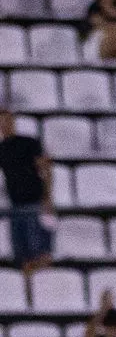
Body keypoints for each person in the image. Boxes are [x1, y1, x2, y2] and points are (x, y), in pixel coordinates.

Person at [0, 109, 54, 277]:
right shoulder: (1, 149)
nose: (5, 124)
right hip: (16, 206)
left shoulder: (29, 143)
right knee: (22, 260)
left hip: (35, 204)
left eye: (7, 120)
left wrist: (47, 196)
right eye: (1, 122)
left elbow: (45, 168)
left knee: (41, 255)